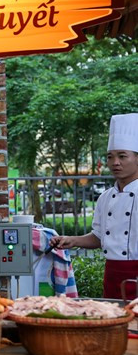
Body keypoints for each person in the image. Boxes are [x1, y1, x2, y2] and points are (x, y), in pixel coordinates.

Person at [51, 113, 138, 300]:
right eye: (110, 157)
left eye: (122, 156)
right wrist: (71, 240)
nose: (115, 162)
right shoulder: (105, 198)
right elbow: (99, 237)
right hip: (112, 275)